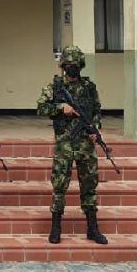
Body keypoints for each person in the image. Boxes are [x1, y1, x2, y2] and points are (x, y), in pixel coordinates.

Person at [36, 45, 109, 245]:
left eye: (75, 65)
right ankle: (56, 227)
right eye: (68, 65)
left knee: (89, 186)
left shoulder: (89, 88)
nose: (72, 68)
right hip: (65, 144)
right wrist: (62, 108)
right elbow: (41, 108)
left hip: (85, 144)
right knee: (59, 185)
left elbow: (97, 111)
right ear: (63, 65)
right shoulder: (55, 87)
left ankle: (92, 228)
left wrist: (95, 128)